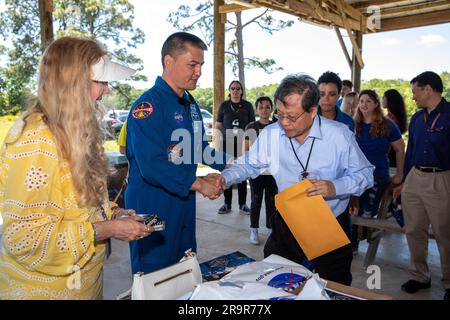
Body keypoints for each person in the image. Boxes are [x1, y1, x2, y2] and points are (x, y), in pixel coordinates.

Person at [0, 36, 152, 300]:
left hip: (82, 285)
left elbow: (78, 203)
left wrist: (113, 215)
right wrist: (108, 230)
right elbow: (23, 238)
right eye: (101, 82)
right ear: (73, 83)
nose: (106, 90)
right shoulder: (37, 139)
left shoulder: (76, 132)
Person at [215, 74, 374, 285]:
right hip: (288, 219)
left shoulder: (339, 135)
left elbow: (366, 174)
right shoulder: (271, 134)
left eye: (291, 116)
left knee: (333, 285)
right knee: (274, 280)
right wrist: (224, 179)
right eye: (280, 114)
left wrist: (336, 186)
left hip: (330, 224)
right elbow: (247, 164)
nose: (284, 122)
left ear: (313, 111)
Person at [125, 32, 227, 274]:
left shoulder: (190, 104)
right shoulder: (147, 107)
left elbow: (198, 148)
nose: (199, 71)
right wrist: (200, 183)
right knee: (154, 274)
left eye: (201, 65)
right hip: (150, 204)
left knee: (184, 267)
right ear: (169, 62)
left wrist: (231, 163)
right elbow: (152, 166)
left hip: (182, 201)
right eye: (193, 64)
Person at [393, 71, 450, 300]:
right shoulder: (417, 118)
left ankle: (449, 281)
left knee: (444, 233)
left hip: (442, 178)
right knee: (413, 229)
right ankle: (419, 276)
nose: (413, 96)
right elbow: (410, 151)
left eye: (415, 91)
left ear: (428, 89)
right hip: (415, 177)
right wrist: (404, 181)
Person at [350, 90, 405, 251]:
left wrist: (400, 174)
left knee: (368, 212)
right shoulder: (353, 124)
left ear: (376, 104)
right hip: (355, 175)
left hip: (377, 175)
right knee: (353, 210)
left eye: (368, 101)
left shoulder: (387, 124)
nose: (364, 104)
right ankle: (352, 246)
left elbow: (400, 149)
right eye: (361, 101)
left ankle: (363, 237)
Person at [216, 80, 255, 215]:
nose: (235, 91)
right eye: (233, 88)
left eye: (238, 88)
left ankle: (243, 204)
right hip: (227, 144)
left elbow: (251, 124)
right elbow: (218, 125)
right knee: (227, 172)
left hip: (242, 144)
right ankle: (227, 204)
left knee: (242, 172)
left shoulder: (248, 106)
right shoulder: (224, 106)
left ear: (241, 91)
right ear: (229, 90)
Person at [244, 96, 278, 245]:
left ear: (271, 109)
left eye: (267, 106)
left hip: (272, 171)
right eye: (261, 107)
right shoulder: (251, 126)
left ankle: (271, 229)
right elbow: (246, 148)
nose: (264, 109)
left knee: (271, 200)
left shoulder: (277, 125)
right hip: (256, 170)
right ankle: (254, 230)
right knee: (256, 200)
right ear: (257, 110)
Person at [382, 89, 408, 167]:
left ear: (389, 100)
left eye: (383, 97)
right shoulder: (396, 116)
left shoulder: (390, 118)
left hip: (391, 156)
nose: (382, 100)